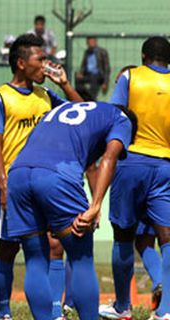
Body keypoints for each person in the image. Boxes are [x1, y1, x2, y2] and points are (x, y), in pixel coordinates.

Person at [0, 33, 83, 320]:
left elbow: (80, 111)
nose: (46, 65)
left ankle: (53, 312)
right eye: (40, 60)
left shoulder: (45, 95)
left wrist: (63, 83)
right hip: (14, 185)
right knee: (8, 248)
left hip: (44, 184)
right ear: (21, 63)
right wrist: (3, 185)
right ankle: (4, 313)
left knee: (53, 246)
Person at [7, 100, 135, 320]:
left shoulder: (72, 108)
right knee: (81, 258)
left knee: (35, 260)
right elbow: (110, 157)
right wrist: (95, 206)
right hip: (56, 175)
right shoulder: (122, 119)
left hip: (18, 174)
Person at [98, 36, 170, 320]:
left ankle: (122, 306)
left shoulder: (130, 77)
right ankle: (165, 312)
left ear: (143, 56)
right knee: (166, 238)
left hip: (132, 161)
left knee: (124, 235)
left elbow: (117, 116)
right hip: (165, 164)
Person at [75, 37, 110, 101]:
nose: (91, 43)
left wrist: (105, 82)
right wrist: (81, 73)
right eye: (89, 42)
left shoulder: (102, 52)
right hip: (88, 75)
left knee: (94, 82)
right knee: (77, 78)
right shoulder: (87, 52)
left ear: (95, 42)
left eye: (92, 41)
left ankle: (91, 99)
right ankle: (80, 96)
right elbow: (83, 65)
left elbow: (106, 68)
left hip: (98, 76)